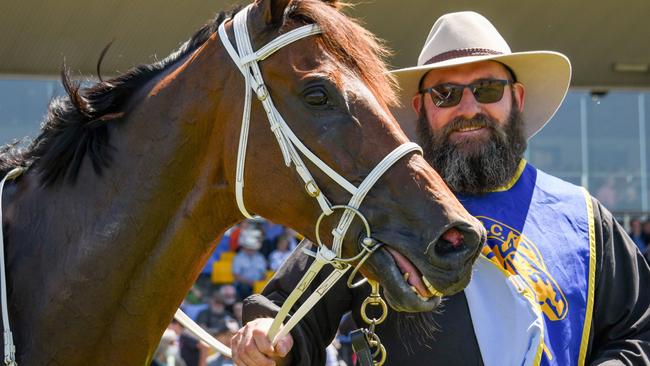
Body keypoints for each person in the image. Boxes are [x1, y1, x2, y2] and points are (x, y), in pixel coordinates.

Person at [231, 11, 650, 366]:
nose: (468, 108)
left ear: (516, 98)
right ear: (421, 109)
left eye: (487, 89)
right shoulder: (375, 206)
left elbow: (639, 331)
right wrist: (267, 336)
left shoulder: (587, 222)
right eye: (446, 94)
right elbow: (291, 313)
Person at [231, 228, 268, 299]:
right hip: (243, 284)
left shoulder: (260, 257)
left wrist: (261, 280)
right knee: (244, 288)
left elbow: (264, 273)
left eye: (252, 248)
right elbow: (236, 275)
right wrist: (249, 282)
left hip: (257, 283)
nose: (251, 250)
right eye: (249, 248)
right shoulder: (238, 257)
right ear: (245, 247)